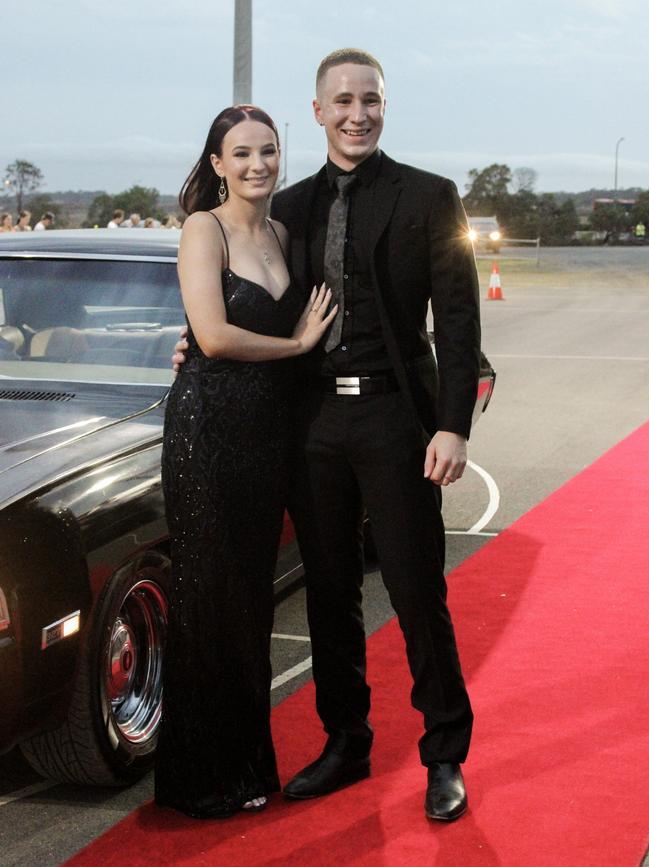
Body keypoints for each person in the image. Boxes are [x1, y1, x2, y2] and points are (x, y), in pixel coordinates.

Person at [174, 48, 480, 823]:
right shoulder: (292, 207)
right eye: (341, 101)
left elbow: (459, 318)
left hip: (394, 422)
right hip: (310, 425)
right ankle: (347, 739)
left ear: (384, 106)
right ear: (318, 112)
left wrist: (452, 425)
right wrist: (189, 346)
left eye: (369, 99)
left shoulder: (430, 197)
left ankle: (444, 752)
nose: (357, 113)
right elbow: (243, 307)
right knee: (330, 596)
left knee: (416, 590)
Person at [155, 104, 337, 820]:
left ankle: (246, 766)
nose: (258, 163)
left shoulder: (285, 231)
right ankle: (200, 779)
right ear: (217, 163)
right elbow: (214, 334)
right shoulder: (205, 228)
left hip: (267, 436)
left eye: (269, 150)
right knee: (210, 598)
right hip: (207, 433)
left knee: (252, 602)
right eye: (242, 153)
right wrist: (295, 346)